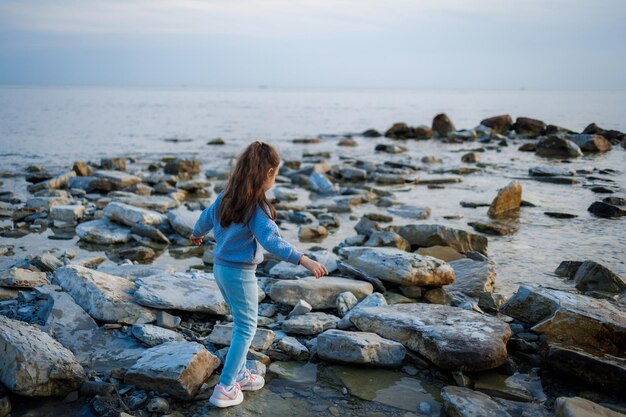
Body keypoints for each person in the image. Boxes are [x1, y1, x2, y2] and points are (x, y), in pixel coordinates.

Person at [189, 140, 329, 408]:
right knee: (247, 326)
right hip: (240, 274)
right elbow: (272, 241)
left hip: (220, 270)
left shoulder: (226, 196)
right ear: (268, 174)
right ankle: (226, 386)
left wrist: (196, 233)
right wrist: (304, 259)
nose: (275, 179)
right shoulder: (257, 207)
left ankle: (239, 374)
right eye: (275, 174)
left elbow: (205, 219)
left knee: (241, 321)